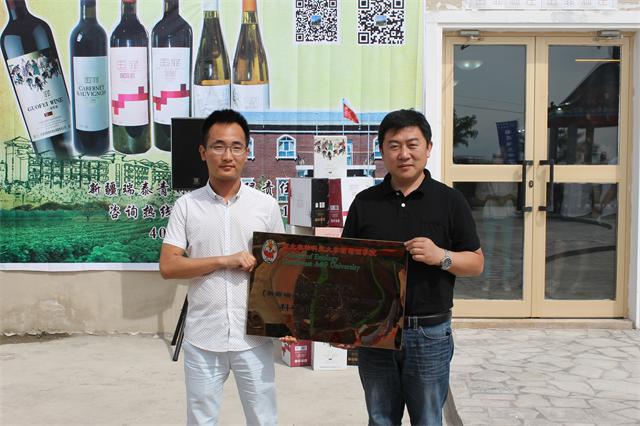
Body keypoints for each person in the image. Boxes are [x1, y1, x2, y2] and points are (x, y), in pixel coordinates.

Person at [341, 109, 484, 426]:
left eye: (412, 144)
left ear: (428, 148)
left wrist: (441, 256)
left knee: (428, 420)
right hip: (376, 332)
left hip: (429, 334)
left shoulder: (450, 201)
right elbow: (347, 268)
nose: (403, 154)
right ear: (382, 151)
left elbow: (476, 263)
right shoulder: (365, 203)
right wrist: (341, 323)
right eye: (394, 145)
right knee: (380, 419)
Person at [159, 109, 284, 426]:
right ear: (203, 152)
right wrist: (223, 260)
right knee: (201, 420)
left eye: (236, 147)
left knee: (263, 419)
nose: (227, 156)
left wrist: (289, 321)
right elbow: (169, 266)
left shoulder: (266, 206)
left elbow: (280, 270)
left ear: (247, 152)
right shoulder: (187, 206)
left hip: (253, 338)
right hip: (203, 336)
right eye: (218, 146)